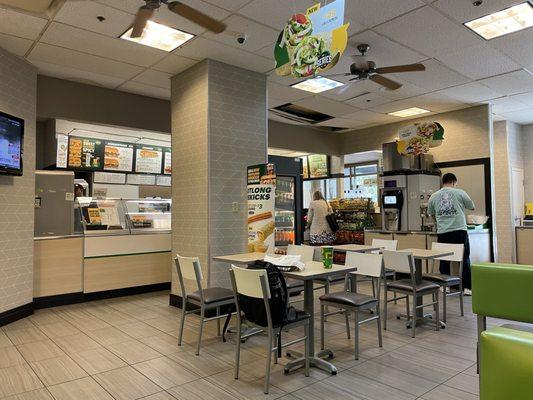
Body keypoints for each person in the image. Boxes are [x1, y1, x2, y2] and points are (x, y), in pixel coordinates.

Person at [428, 173, 475, 295]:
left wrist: (438, 221)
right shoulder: (460, 192)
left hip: (443, 231)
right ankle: (467, 288)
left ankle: (445, 286)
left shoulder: (434, 196)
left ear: (443, 182)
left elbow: (431, 213)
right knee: (464, 258)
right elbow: (472, 206)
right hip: (459, 230)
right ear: (454, 182)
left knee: (444, 259)